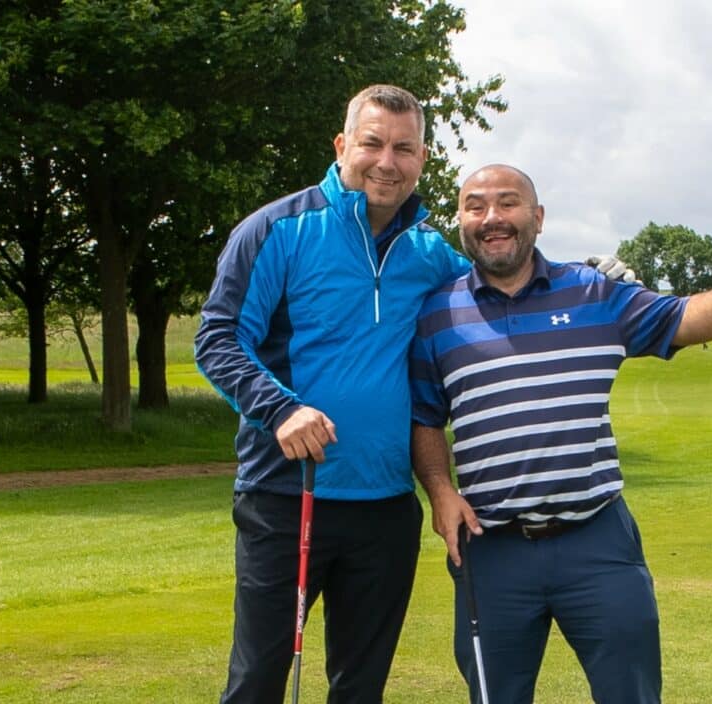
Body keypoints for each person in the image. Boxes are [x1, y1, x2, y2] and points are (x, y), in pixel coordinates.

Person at [195, 87, 631, 703]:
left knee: (360, 687)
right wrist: (280, 408)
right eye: (372, 143)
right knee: (258, 681)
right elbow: (217, 339)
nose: (386, 161)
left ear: (422, 159)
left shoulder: (430, 255)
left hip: (386, 507)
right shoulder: (278, 230)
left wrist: (583, 281)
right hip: (287, 496)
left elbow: (502, 276)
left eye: (403, 148)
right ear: (343, 146)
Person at [409, 164, 712, 704]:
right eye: (475, 206)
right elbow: (426, 418)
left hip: (597, 540)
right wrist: (440, 489)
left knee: (630, 694)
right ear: (461, 221)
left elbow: (685, 318)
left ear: (537, 218)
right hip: (491, 550)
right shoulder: (438, 314)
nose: (492, 217)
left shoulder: (594, 292)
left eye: (508, 203)